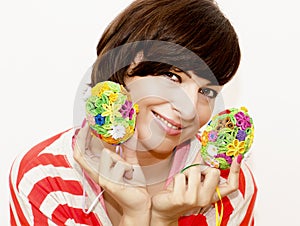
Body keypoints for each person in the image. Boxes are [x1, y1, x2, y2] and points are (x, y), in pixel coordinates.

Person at [9, 0, 257, 225]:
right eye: (172, 75)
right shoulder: (45, 177)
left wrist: (163, 219)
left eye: (208, 92)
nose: (189, 109)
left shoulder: (227, 186)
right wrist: (136, 215)